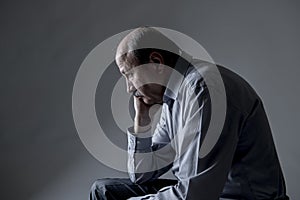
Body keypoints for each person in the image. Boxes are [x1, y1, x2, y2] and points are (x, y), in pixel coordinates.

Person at [90, 27, 289, 200]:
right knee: (104, 191)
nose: (128, 88)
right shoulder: (174, 95)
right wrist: (141, 121)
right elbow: (142, 174)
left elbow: (194, 196)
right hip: (207, 194)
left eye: (129, 74)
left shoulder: (203, 89)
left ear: (156, 62)